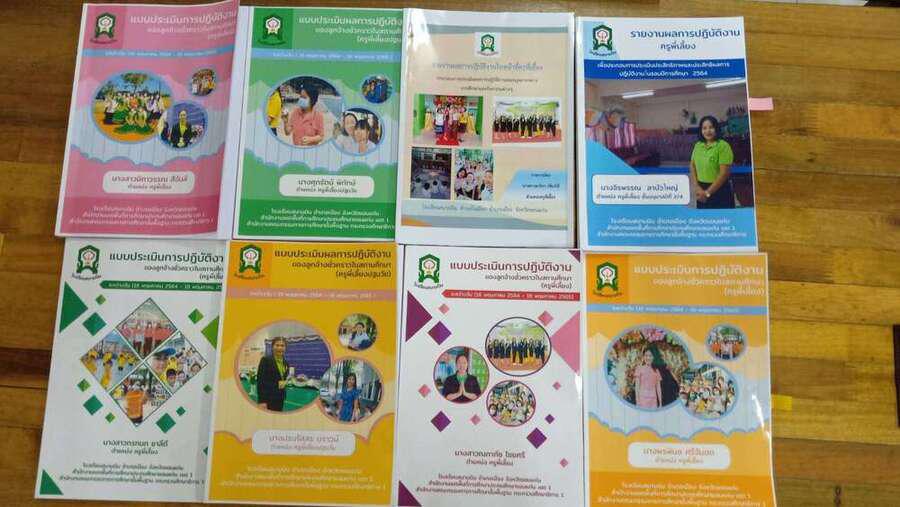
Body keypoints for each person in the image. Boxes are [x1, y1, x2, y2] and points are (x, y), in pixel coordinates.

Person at [690, 115, 735, 209]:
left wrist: (707, 193)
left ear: (716, 129)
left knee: (722, 218)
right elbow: (692, 166)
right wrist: (697, 187)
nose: (708, 131)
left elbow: (724, 173)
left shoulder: (723, 146)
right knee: (704, 218)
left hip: (720, 190)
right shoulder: (698, 145)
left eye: (711, 127)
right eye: (704, 128)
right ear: (701, 130)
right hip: (701, 190)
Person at [256, 336, 292, 412]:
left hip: (280, 397)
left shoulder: (286, 363)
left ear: (285, 348)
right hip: (268, 398)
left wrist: (285, 382)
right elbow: (260, 381)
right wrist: (262, 401)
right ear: (272, 347)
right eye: (277, 345)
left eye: (282, 345)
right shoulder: (265, 360)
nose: (280, 348)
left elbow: (282, 378)